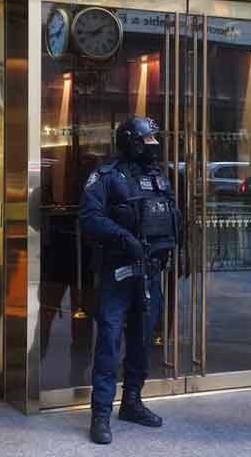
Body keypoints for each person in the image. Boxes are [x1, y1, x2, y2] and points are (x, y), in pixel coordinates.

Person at [79, 116, 180, 445]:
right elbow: (90, 217)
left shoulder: (156, 177)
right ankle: (101, 414)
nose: (154, 144)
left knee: (142, 339)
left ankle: (132, 402)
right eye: (148, 139)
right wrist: (125, 239)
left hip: (150, 273)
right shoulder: (106, 176)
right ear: (131, 142)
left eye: (154, 138)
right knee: (109, 341)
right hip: (118, 273)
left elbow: (170, 217)